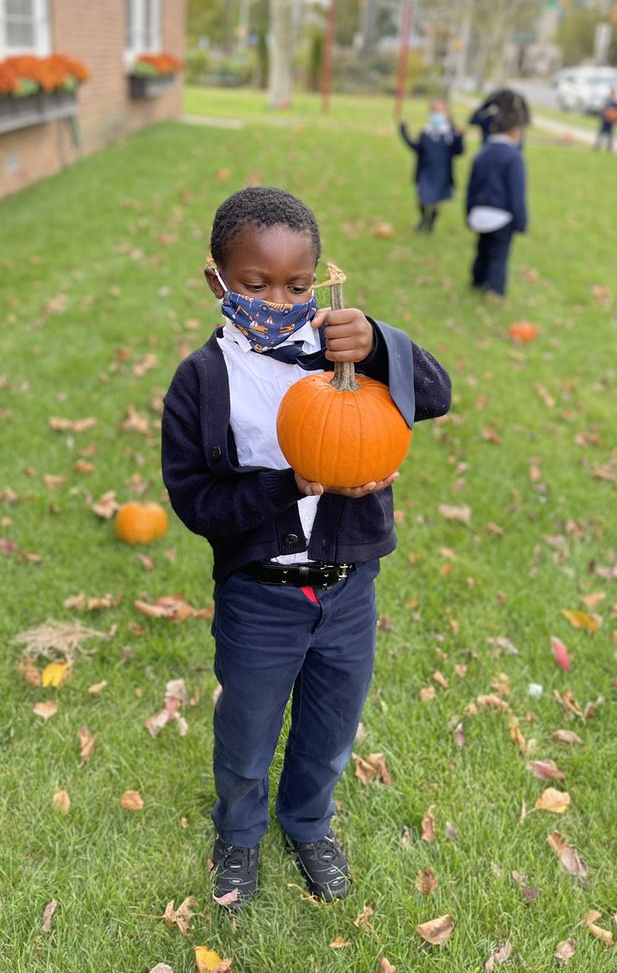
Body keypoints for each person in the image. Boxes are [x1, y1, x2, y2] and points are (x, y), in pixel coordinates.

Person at [160, 186, 452, 909]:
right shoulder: (201, 382)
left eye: (297, 283)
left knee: (329, 729)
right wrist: (293, 483)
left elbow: (437, 395)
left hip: (348, 592)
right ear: (218, 282)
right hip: (260, 595)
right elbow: (200, 504)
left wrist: (381, 343)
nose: (278, 298)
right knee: (248, 733)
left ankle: (308, 821)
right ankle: (238, 831)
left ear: (319, 278)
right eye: (256, 285)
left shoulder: (343, 349)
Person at [464, 101, 528, 298]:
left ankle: (476, 280)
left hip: (480, 212)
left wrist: (468, 212)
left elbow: (471, 187)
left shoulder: (482, 153)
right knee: (498, 255)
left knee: (482, 249)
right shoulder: (513, 157)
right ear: (516, 131)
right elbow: (516, 191)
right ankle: (494, 291)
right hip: (502, 215)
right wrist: (521, 221)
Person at [399, 99, 464, 233]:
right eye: (434, 111)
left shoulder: (450, 133)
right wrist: (404, 132)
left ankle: (431, 224)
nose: (437, 114)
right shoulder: (426, 132)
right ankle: (423, 218)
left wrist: (459, 138)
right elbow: (416, 148)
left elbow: (458, 152)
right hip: (425, 170)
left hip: (442, 171)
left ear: (446, 114)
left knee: (436, 200)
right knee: (422, 197)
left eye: (440, 111)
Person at [594, 88, 617, 152]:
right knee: (601, 133)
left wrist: (614, 117)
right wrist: (606, 113)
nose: (612, 95)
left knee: (610, 135)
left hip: (611, 122)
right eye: (611, 94)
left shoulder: (616, 103)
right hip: (605, 120)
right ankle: (598, 146)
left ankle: (609, 148)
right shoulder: (606, 101)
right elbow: (601, 110)